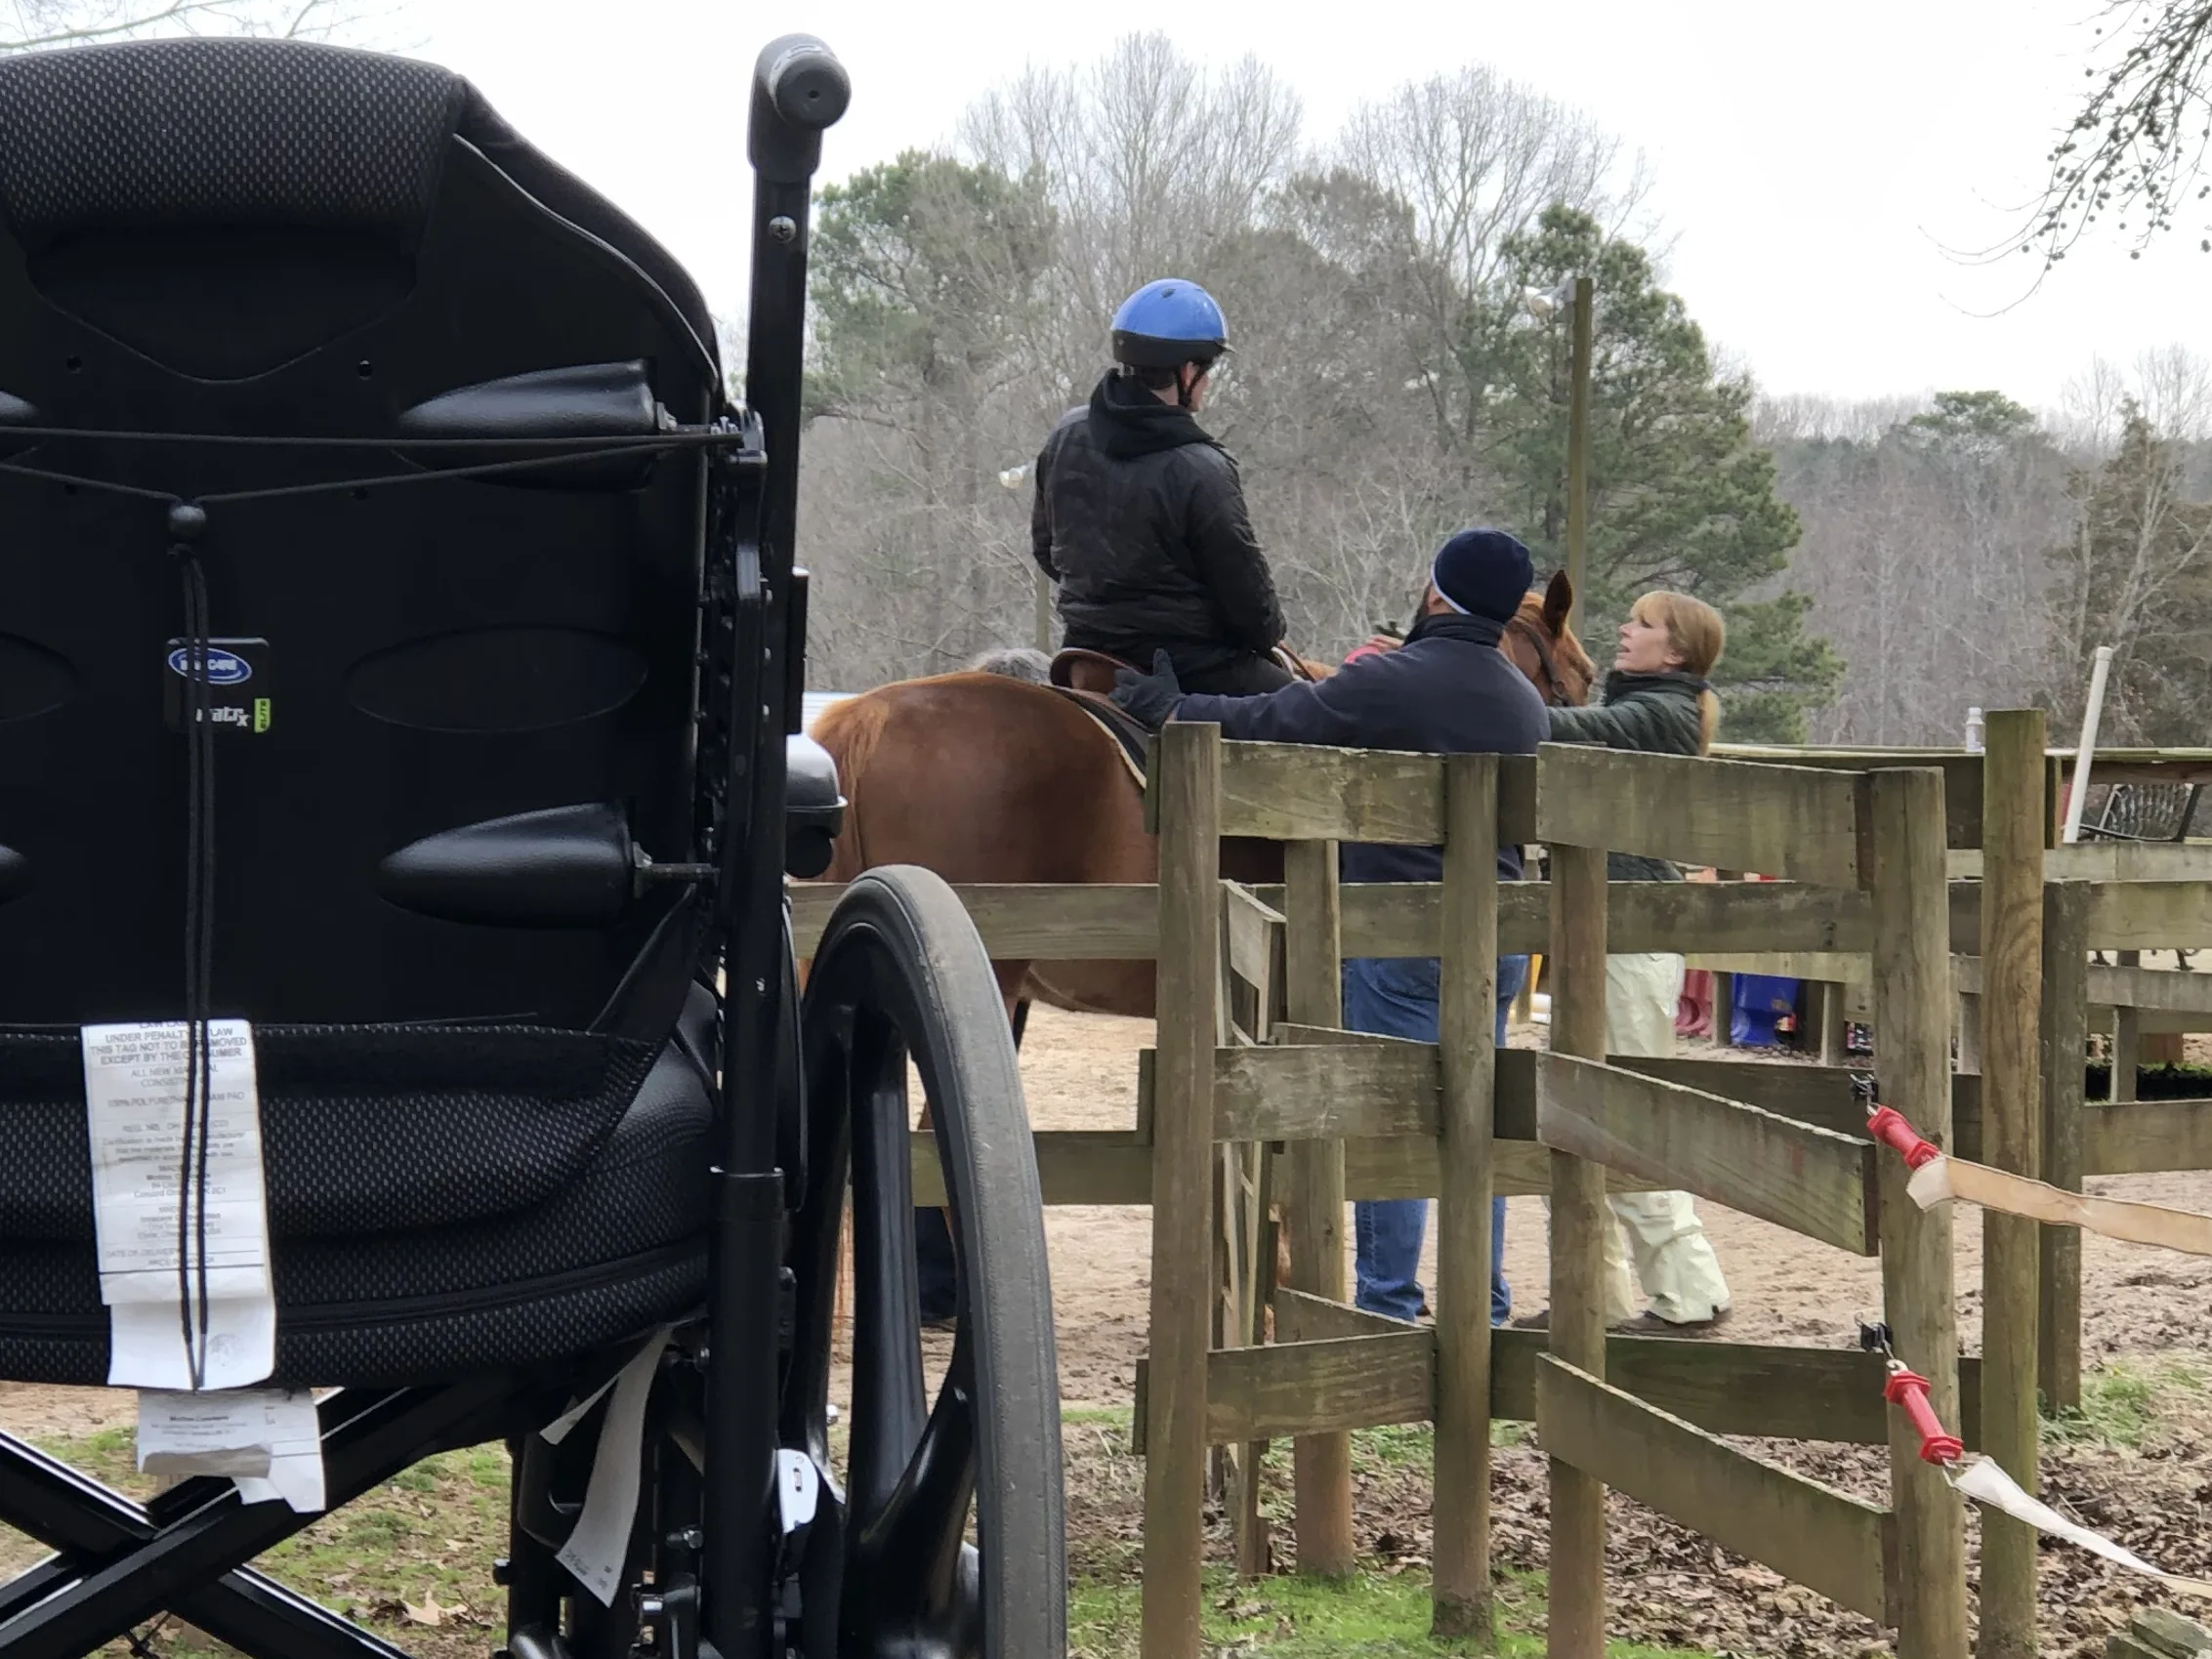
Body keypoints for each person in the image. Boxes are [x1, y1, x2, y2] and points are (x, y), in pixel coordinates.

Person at [1112, 526, 1549, 1325]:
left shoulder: (1394, 681)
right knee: (1475, 1120)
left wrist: (1170, 707)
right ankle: (1482, 1304)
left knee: (1387, 1124)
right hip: (1504, 933)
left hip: (1399, 933)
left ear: (1432, 593)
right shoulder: (1522, 700)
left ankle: (1386, 1307)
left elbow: (1280, 716)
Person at [1524, 589, 1734, 1336]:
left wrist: (1469, 698)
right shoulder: (1653, 704)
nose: (1623, 629)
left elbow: (1551, 728)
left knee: (1625, 1121)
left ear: (1674, 651)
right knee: (1576, 1115)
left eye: (1642, 624)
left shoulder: (1658, 714)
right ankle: (1597, 1296)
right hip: (1607, 936)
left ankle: (1691, 1297)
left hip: (1629, 941)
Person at [1029, 278, 1292, 697]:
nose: (1207, 381)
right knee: (1307, 714)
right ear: (1187, 372)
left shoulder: (1066, 434)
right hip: (1191, 667)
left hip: (1083, 651)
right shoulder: (1202, 468)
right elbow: (1249, 606)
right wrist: (1269, 634)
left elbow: (1046, 550)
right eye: (1208, 370)